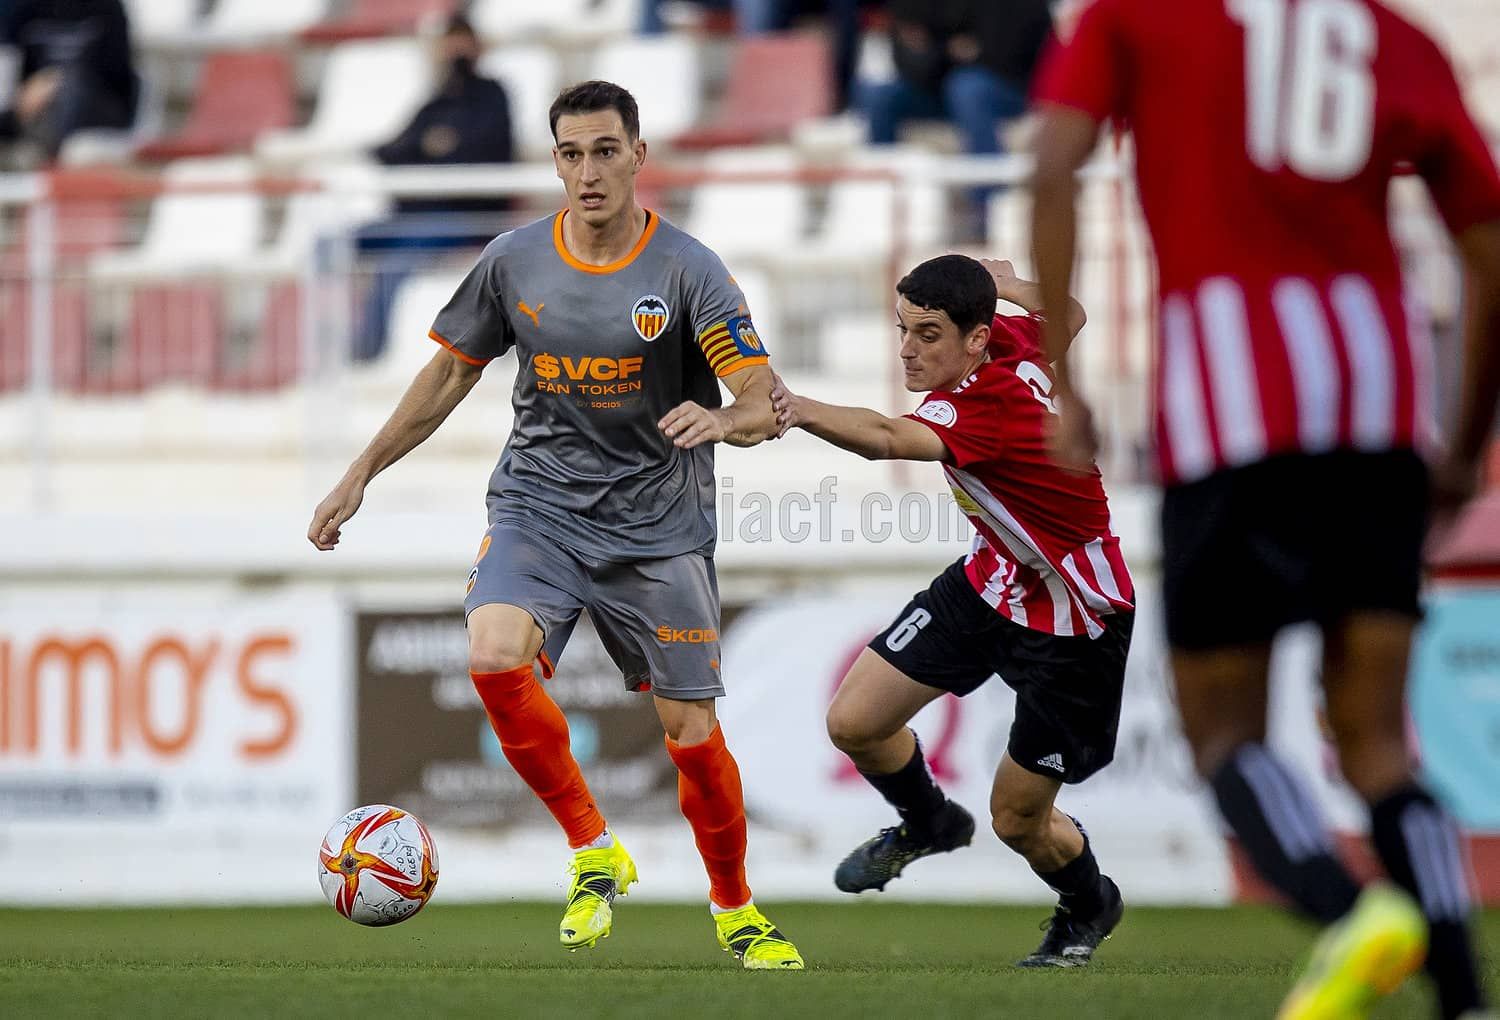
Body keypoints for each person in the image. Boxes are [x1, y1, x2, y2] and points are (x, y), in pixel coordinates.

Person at [1031, 0, 1500, 1016]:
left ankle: (1353, 914)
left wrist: (1066, 383)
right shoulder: (1396, 37)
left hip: (1229, 409)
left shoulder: (1138, 19)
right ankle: (1463, 993)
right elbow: (1488, 242)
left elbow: (1054, 160)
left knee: (1224, 736)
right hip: (1381, 409)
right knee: (1377, 741)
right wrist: (1461, 444)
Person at [308, 80, 805, 970]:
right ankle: (592, 848)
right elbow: (448, 377)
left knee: (689, 733)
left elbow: (764, 401)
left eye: (606, 151)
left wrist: (724, 420)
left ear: (639, 157)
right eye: (571, 154)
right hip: (540, 506)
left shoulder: (688, 270)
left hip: (659, 528)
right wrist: (360, 473)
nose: (588, 172)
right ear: (555, 162)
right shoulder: (513, 261)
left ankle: (736, 911)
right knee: (494, 651)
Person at [772, 253, 1135, 967]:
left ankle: (1089, 904)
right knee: (855, 722)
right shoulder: (1009, 340)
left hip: (1075, 619)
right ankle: (929, 820)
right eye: (902, 328)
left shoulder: (987, 402)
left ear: (975, 338)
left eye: (928, 333)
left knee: (1018, 820)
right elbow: (1073, 316)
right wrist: (1000, 286)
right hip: (992, 581)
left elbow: (885, 439)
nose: (908, 349)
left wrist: (796, 406)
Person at [353, 14, 515, 361]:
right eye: (449, 40)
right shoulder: (435, 102)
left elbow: (486, 151)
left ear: (477, 46)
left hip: (464, 217)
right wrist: (431, 146)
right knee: (333, 243)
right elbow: (390, 151)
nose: (455, 49)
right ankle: (321, 351)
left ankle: (364, 355)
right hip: (414, 215)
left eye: (462, 39)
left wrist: (433, 150)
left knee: (392, 265)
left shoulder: (492, 96)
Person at [860, 0, 1051, 162]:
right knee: (877, 94)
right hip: (936, 87)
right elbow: (908, 55)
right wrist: (949, 52)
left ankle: (987, 198)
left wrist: (938, 51)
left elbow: (1007, 53)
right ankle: (880, 194)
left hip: (1008, 88)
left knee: (967, 88)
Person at [0, 0, 139, 164]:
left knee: (72, 86)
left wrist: (55, 79)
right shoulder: (25, 9)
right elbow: (10, 66)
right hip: (36, 112)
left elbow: (117, 75)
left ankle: (51, 157)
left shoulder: (107, 7)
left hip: (94, 110)